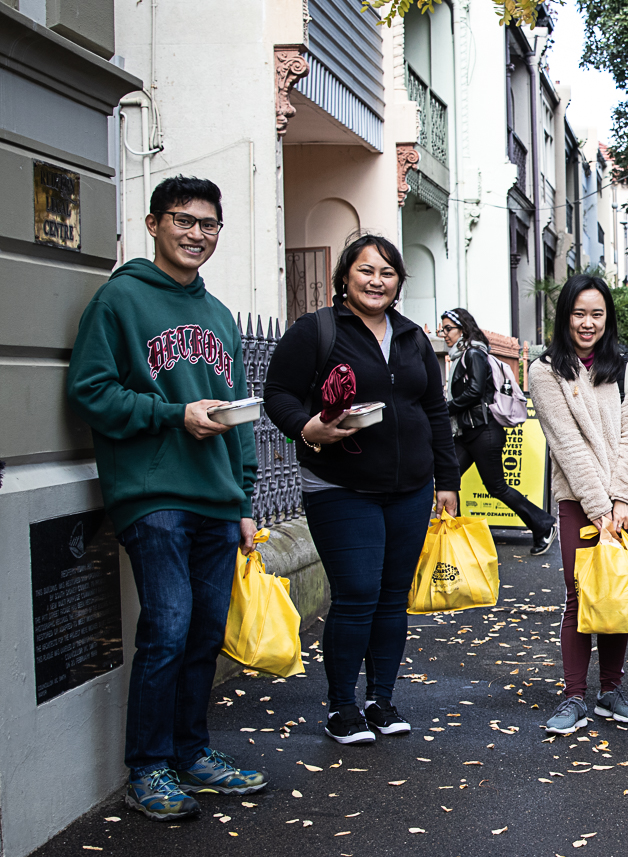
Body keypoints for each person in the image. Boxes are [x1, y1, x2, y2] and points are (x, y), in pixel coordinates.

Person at [66, 175, 266, 820]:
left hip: (214, 497)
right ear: (154, 224)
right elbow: (91, 392)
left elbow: (237, 414)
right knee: (168, 626)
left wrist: (243, 500)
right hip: (152, 493)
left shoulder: (220, 316)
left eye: (209, 225)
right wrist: (172, 415)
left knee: (204, 631)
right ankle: (148, 767)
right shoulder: (119, 301)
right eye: (184, 220)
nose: (197, 234)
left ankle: (191, 752)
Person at [264, 234, 460, 746]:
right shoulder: (317, 331)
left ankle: (382, 699)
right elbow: (277, 395)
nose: (377, 281)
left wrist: (447, 480)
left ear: (399, 282)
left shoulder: (413, 335)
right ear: (345, 277)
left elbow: (434, 410)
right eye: (366, 271)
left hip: (412, 489)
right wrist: (306, 428)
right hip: (339, 485)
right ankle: (342, 708)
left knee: (393, 597)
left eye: (388, 273)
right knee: (357, 593)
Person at [529, 274, 628, 735]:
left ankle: (610, 692)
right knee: (580, 597)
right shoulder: (545, 371)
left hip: (627, 500)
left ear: (607, 318)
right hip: (580, 502)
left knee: (617, 595)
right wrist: (601, 507)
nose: (587, 323)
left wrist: (623, 498)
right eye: (579, 313)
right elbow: (567, 445)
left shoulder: (627, 366)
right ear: (565, 316)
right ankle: (574, 695)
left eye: (596, 314)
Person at [438, 308, 557, 555]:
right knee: (449, 477)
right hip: (469, 432)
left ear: (463, 329)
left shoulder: (473, 354)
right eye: (443, 329)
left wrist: (444, 409)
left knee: (497, 487)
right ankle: (454, 539)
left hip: (484, 432)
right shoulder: (462, 355)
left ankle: (544, 524)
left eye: (448, 329)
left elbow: (474, 392)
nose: (444, 334)